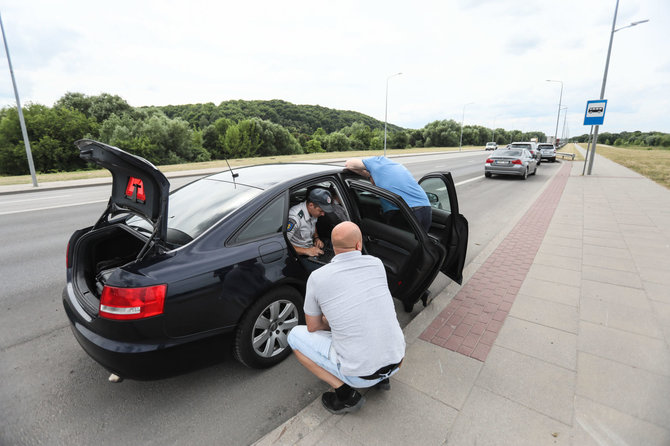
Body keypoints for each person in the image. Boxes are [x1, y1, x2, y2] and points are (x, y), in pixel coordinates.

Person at [287, 221, 406, 414]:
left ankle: (345, 395)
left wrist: (330, 322)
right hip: (397, 361)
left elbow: (313, 326)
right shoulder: (376, 264)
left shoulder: (318, 277)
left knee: (294, 336)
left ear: (333, 248)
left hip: (360, 375)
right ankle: (382, 379)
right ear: (359, 245)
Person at [344, 156, 432, 231]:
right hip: (426, 209)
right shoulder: (396, 166)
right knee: (420, 244)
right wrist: (370, 175)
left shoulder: (376, 162)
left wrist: (368, 174)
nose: (373, 184)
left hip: (407, 212)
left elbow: (349, 164)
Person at [287, 188, 334, 259]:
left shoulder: (313, 212)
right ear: (311, 205)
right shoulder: (295, 218)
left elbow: (312, 224)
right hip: (299, 255)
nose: (323, 214)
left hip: (311, 247)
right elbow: (285, 245)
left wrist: (316, 238)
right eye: (321, 211)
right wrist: (307, 251)